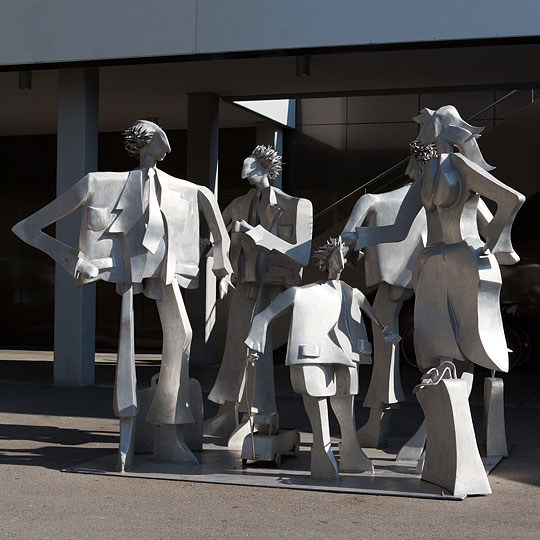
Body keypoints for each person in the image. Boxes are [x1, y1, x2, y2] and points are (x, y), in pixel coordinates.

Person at [12, 120, 233, 471]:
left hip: (165, 272)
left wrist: (220, 259)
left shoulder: (186, 189)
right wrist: (74, 260)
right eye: (160, 140)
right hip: (125, 270)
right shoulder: (99, 183)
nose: (166, 148)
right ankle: (137, 436)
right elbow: (27, 228)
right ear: (146, 144)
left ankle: (167, 432)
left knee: (183, 335)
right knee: (128, 343)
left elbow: (216, 225)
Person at [343, 105, 525, 495]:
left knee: (463, 351)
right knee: (430, 354)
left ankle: (453, 452)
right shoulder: (424, 175)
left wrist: (485, 246)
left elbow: (511, 200)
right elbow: (395, 229)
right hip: (432, 265)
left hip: (462, 260)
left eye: (425, 123)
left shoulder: (461, 168)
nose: (420, 129)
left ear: (440, 127)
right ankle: (442, 447)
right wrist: (360, 238)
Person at [245, 237, 399, 480]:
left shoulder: (352, 293)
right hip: (312, 349)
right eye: (339, 253)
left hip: (344, 351)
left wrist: (386, 331)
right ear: (329, 259)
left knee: (346, 393)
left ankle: (350, 450)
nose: (344, 258)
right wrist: (256, 336)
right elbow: (264, 316)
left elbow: (376, 319)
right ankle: (322, 449)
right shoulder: (304, 293)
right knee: (316, 392)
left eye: (345, 254)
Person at [205, 145, 313, 443]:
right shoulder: (239, 204)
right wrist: (221, 269)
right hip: (246, 284)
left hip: (277, 288)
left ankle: (260, 414)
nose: (247, 177)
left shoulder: (296, 205)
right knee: (235, 348)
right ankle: (228, 411)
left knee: (258, 351)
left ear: (267, 168)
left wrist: (256, 234)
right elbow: (217, 237)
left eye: (251, 171)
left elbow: (301, 254)